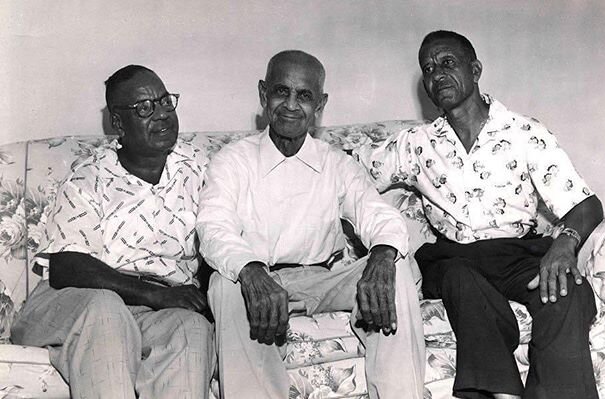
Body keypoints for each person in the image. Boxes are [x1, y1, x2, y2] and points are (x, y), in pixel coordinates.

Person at [355, 31, 603, 399]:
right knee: (459, 278)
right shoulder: (415, 144)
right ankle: (501, 394)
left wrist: (564, 245)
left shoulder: (524, 132)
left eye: (447, 63)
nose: (437, 75)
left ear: (475, 70)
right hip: (453, 258)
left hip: (516, 253)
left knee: (568, 291)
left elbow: (586, 204)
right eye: (428, 69)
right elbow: (348, 171)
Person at [196, 50, 425, 399]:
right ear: (263, 94)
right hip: (263, 279)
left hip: (327, 277)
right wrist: (252, 272)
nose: (290, 105)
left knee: (397, 266)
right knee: (224, 285)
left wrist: (381, 257)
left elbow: (374, 211)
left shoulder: (335, 162)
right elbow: (214, 228)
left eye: (304, 96)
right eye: (280, 92)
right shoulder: (232, 161)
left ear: (320, 104)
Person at [11, 65, 214, 399]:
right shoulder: (90, 175)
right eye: (145, 108)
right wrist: (156, 294)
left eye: (165, 102)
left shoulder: (197, 167)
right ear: (118, 124)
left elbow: (221, 237)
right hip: (78, 302)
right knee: (106, 310)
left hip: (153, 313)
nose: (162, 115)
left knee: (190, 327)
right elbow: (68, 266)